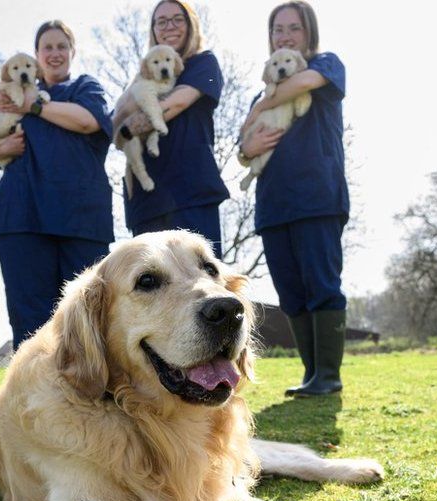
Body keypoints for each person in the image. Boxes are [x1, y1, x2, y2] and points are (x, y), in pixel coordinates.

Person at [0, 21, 114, 350]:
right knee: (29, 318)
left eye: (61, 46)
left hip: (80, 219)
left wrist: (34, 106)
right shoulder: (10, 91)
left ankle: (96, 395)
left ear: (72, 52)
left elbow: (88, 121)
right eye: (47, 47)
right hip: (21, 216)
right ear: (36, 56)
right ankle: (34, 397)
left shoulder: (85, 87)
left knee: (90, 315)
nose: (54, 53)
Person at [239, 1, 348, 397]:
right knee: (291, 292)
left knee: (322, 284)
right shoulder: (259, 95)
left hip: (318, 197)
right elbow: (244, 145)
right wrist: (247, 148)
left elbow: (301, 85)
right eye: (277, 30)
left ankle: (329, 377)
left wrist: (264, 104)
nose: (284, 36)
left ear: (309, 33)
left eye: (293, 29)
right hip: (273, 205)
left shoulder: (326, 66)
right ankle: (311, 374)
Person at [113, 0, 229, 259]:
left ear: (190, 25)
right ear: (153, 29)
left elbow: (176, 102)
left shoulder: (203, 64)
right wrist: (125, 118)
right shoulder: (142, 76)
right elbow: (114, 125)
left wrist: (128, 125)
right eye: (161, 21)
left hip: (191, 191)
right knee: (152, 291)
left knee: (204, 283)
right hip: (146, 200)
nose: (170, 27)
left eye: (178, 19)